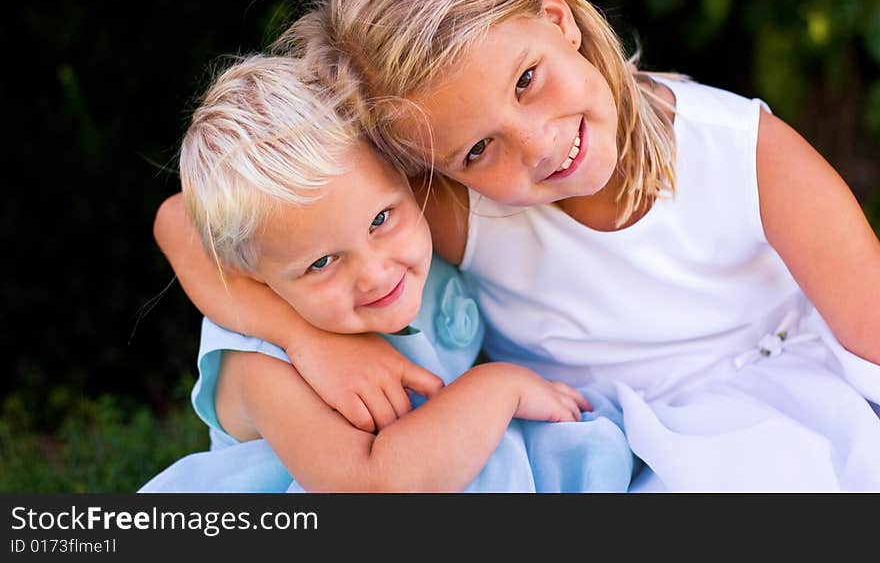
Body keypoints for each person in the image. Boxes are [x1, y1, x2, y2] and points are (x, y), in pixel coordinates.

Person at [157, 0, 880, 491]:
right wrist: (310, 339)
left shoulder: (743, 153)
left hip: (780, 405)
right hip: (602, 439)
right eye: (478, 149)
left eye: (527, 80)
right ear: (425, 167)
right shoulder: (445, 208)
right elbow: (182, 220)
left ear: (557, 15)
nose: (538, 146)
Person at [140, 54, 634, 493]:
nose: (375, 274)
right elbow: (372, 489)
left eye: (381, 220)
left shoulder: (422, 233)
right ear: (248, 270)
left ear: (404, 173)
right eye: (320, 263)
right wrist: (498, 387)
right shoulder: (259, 367)